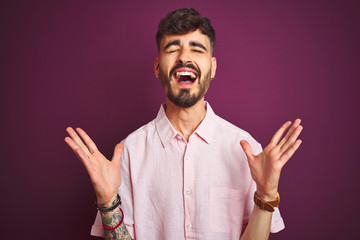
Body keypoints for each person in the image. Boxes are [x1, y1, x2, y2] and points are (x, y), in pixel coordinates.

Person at [65, 8, 303, 240]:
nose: (184, 57)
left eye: (197, 49)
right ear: (158, 67)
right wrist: (107, 203)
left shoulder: (246, 149)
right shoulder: (129, 152)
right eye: (173, 49)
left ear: (213, 67)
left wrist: (266, 193)